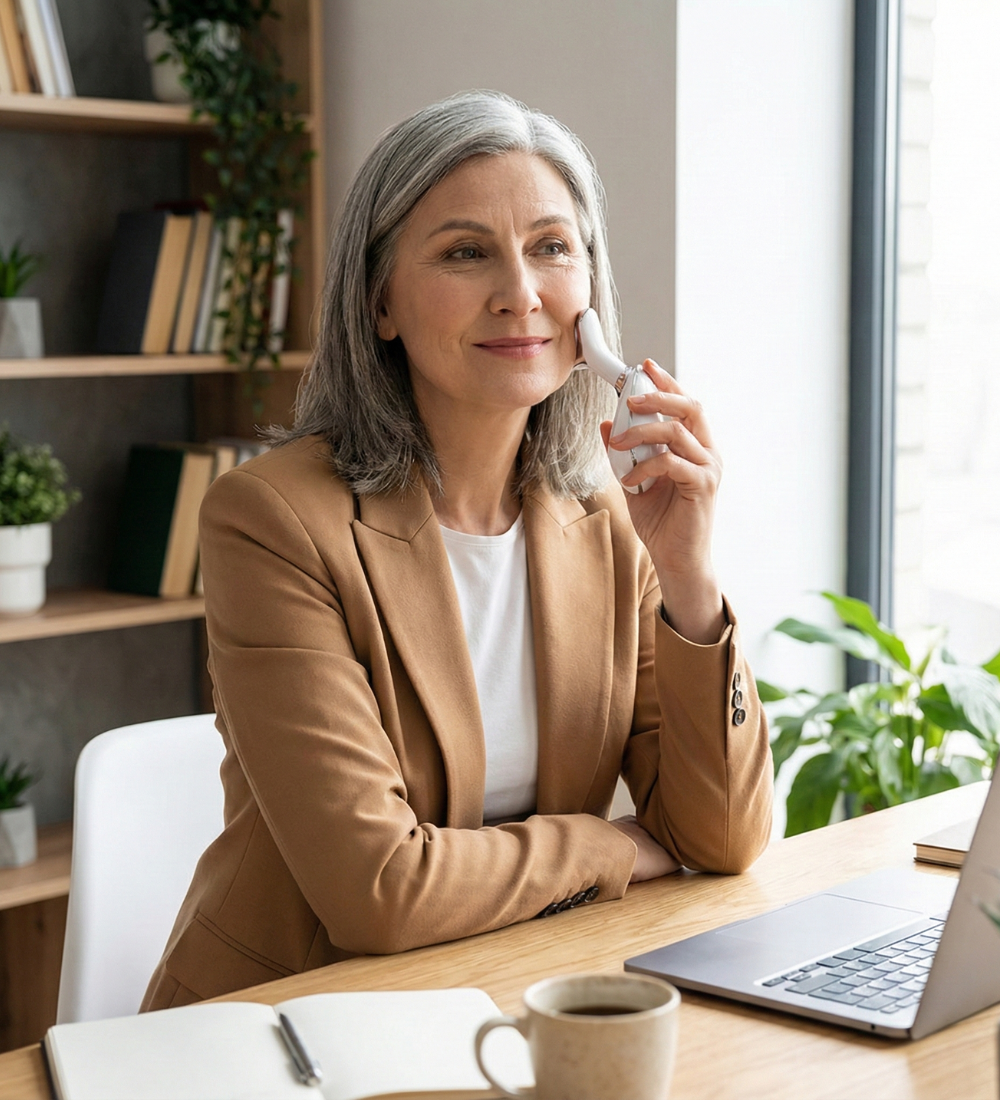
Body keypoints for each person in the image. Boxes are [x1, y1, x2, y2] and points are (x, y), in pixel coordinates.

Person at [142, 90, 773, 1012]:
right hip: (291, 1023)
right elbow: (380, 894)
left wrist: (688, 579)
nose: (520, 291)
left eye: (553, 247)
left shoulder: (606, 521)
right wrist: (613, 846)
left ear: (588, 294)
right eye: (465, 252)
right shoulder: (271, 520)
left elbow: (720, 839)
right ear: (381, 302)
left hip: (508, 995)